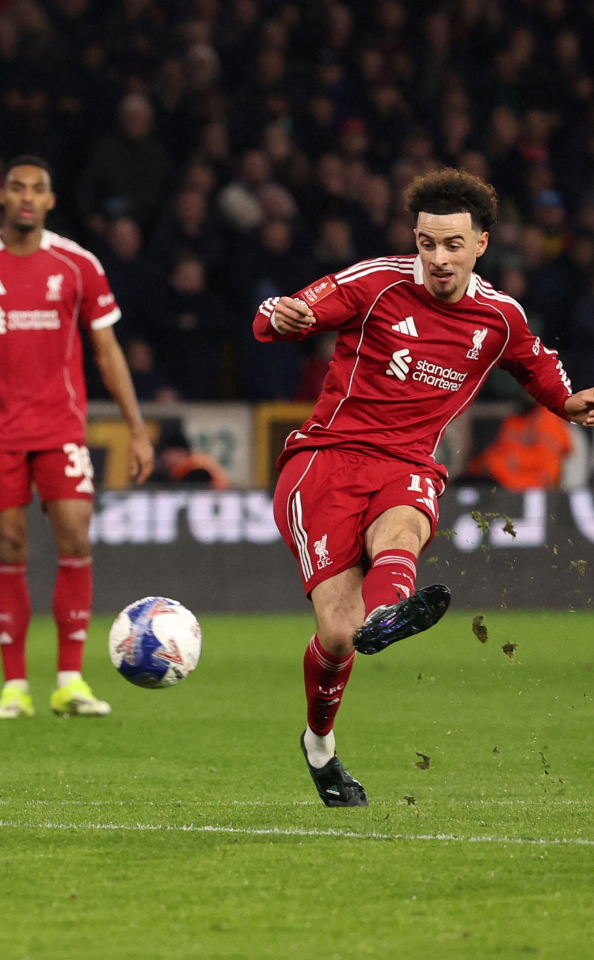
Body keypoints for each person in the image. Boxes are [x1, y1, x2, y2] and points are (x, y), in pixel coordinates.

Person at [253, 168, 594, 807]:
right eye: (427, 244)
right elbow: (288, 310)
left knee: (403, 528)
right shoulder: (376, 283)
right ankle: (320, 744)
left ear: (482, 244)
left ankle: (389, 611)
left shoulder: (498, 317)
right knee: (335, 634)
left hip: (407, 462)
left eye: (453, 245)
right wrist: (280, 316)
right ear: (415, 240)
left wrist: (567, 401)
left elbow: (536, 363)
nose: (438, 258)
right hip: (325, 462)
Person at [0, 155, 154, 720]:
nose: (27, 197)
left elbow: (106, 350)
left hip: (60, 427)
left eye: (38, 189)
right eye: (17, 188)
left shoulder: (77, 265)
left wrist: (137, 428)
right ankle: (15, 687)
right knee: (10, 548)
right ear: (1, 196)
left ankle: (70, 681)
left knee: (76, 536)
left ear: (51, 200)